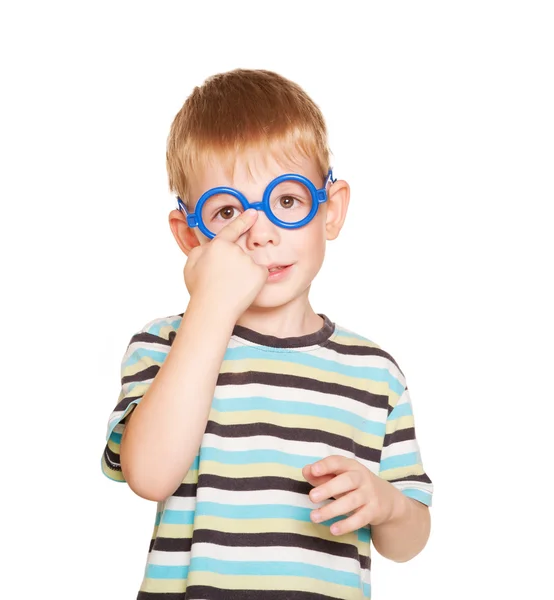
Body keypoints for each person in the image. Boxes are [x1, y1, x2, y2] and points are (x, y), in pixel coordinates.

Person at [101, 68, 433, 600]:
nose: (262, 233)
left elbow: (409, 539)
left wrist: (387, 504)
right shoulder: (167, 345)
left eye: (287, 201)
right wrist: (210, 303)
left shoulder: (375, 374)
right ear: (190, 236)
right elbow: (149, 476)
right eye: (229, 212)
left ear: (332, 209)